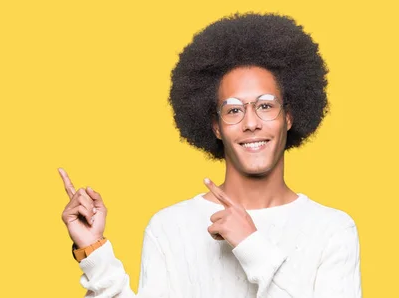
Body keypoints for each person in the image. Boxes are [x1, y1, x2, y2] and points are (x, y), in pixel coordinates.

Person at [58, 12, 362, 298]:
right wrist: (93, 251)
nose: (251, 122)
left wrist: (251, 246)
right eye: (234, 110)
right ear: (216, 127)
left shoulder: (333, 231)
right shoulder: (170, 227)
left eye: (266, 105)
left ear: (289, 117)